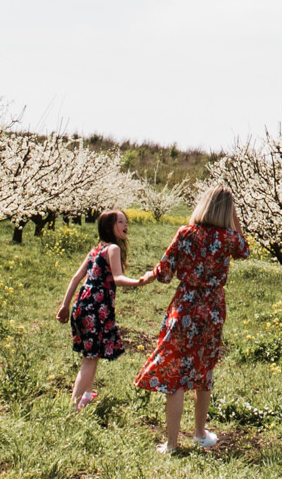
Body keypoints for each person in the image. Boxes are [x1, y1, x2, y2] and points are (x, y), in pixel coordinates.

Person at [132, 183, 250, 453]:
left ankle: (171, 444)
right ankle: (199, 434)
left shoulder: (185, 233)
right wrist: (235, 219)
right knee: (204, 369)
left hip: (185, 306)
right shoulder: (227, 239)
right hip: (212, 309)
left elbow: (164, 273)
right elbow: (244, 249)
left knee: (176, 372)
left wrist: (150, 275)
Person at [56, 209, 143, 409]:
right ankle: (73, 408)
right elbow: (118, 278)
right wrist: (140, 281)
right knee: (90, 359)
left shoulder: (95, 250)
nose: (125, 225)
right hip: (95, 310)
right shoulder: (113, 249)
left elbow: (76, 278)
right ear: (109, 226)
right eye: (120, 221)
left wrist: (65, 305)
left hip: (82, 306)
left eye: (125, 221)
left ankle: (86, 394)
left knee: (92, 354)